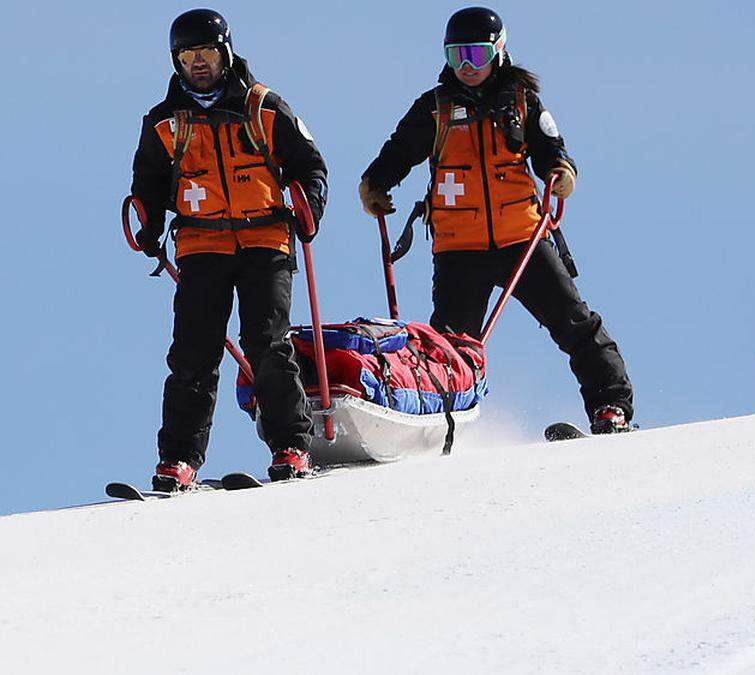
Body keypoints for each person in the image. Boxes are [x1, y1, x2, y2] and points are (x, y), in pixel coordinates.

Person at [359, 7, 634, 433]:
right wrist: (376, 185)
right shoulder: (435, 109)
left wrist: (561, 174)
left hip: (521, 238)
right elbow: (396, 153)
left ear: (498, 52)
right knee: (448, 350)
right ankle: (436, 426)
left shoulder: (523, 103)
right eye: (456, 56)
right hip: (458, 248)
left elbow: (551, 152)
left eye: (476, 54)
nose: (467, 66)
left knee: (574, 322)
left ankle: (609, 407)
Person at [130, 9, 329, 490]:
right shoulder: (164, 123)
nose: (198, 63)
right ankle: (178, 460)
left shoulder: (264, 108)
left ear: (226, 54)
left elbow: (310, 164)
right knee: (193, 353)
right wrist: (148, 224)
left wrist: (309, 207)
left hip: (265, 239)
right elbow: (148, 183)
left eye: (207, 53)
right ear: (176, 62)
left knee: (266, 342)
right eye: (188, 55)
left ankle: (292, 446)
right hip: (202, 243)